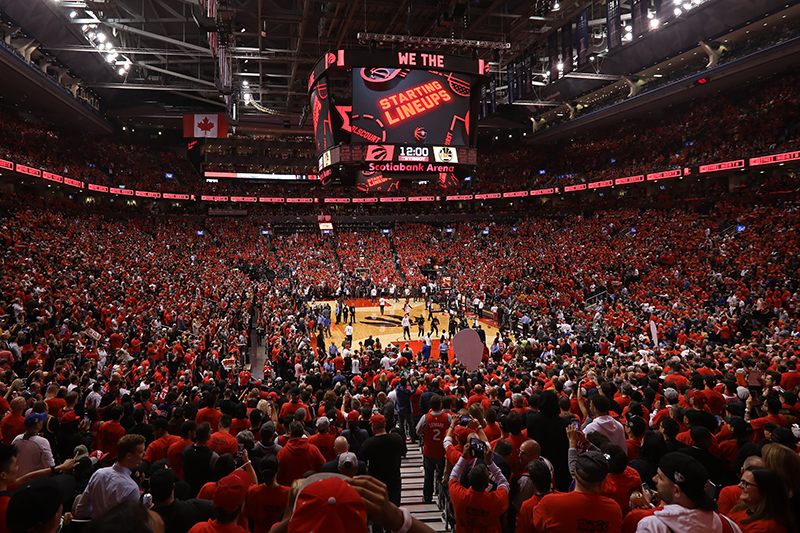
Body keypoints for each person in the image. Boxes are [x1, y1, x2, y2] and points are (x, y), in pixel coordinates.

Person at [635, 453, 741, 533]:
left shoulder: (652, 526)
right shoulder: (729, 525)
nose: (654, 479)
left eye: (661, 477)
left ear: (676, 491)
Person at [533, 448, 622, 532]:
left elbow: (537, 525)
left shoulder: (549, 503)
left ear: (575, 474)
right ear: (604, 481)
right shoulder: (614, 510)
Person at [75, 433, 146, 519]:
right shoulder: (132, 488)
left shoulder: (98, 474)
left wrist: (101, 518)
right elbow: (131, 523)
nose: (144, 454)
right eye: (141, 452)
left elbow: (81, 510)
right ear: (129, 456)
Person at [448, 439, 509, 533]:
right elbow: (504, 483)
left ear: (469, 477)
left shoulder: (459, 495)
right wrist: (490, 462)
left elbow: (453, 476)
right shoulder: (495, 500)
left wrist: (464, 457)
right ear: (486, 484)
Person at [358, 414, 407, 529]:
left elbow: (361, 461)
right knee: (395, 511)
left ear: (373, 427)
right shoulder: (396, 438)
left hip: (376, 483)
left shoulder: (369, 443)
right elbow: (403, 451)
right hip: (394, 480)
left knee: (377, 515)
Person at [726, 466, 794, 533]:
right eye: (741, 481)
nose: (740, 485)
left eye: (745, 483)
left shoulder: (764, 527)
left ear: (763, 490)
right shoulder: (739, 508)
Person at [150, 466, 214, 533]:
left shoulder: (145, 521)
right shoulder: (193, 508)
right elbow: (219, 508)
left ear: (150, 491)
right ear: (174, 487)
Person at [416, 395, 450, 504]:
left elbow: (418, 431)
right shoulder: (447, 417)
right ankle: (445, 498)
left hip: (429, 451)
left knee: (428, 475)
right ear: (441, 405)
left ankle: (427, 497)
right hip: (442, 451)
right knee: (444, 475)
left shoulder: (425, 417)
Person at [243, 457, 290, 533]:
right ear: (277, 470)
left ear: (261, 471)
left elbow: (248, 514)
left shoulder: (253, 492)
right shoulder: (288, 493)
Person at [276, 421, 325, 486]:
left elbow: (278, 475)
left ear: (290, 434)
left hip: (289, 490)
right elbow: (323, 466)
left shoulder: (282, 453)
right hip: (309, 486)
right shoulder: (313, 450)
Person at [11, 413, 55, 477]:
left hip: (18, 479)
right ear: (37, 425)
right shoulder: (42, 442)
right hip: (34, 481)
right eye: (41, 420)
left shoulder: (16, 439)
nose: (42, 421)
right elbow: (50, 466)